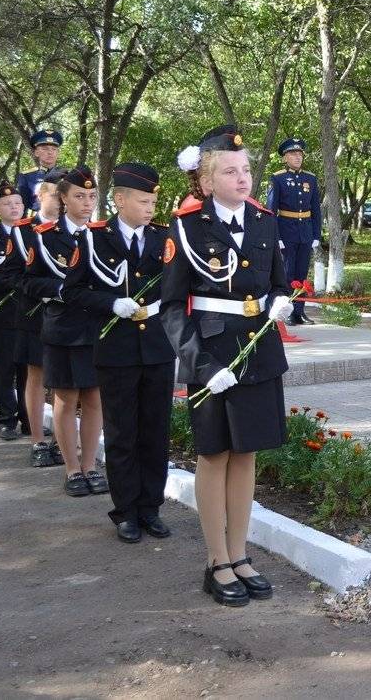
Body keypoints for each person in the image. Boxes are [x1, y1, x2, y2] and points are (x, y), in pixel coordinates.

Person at [162, 124, 292, 607]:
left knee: (247, 454)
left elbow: (278, 283)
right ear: (208, 180)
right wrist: (199, 363)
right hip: (213, 355)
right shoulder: (187, 227)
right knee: (215, 454)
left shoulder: (264, 221)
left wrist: (282, 303)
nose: (243, 179)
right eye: (231, 172)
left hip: (258, 351)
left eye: (247, 170)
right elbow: (172, 307)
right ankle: (216, 561)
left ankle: (240, 554)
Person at [62, 163, 175, 543]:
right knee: (123, 431)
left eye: (154, 201)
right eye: (144, 201)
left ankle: (151, 508)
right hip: (117, 351)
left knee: (155, 432)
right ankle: (126, 511)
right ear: (120, 199)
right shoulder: (94, 238)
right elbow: (73, 291)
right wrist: (110, 303)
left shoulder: (164, 237)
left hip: (158, 347)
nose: (150, 208)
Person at [22, 165, 106, 497]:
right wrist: (60, 289)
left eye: (91, 197)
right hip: (63, 327)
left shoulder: (103, 235)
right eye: (79, 196)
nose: (87, 203)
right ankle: (72, 469)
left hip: (97, 326)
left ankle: (90, 465)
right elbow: (27, 281)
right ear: (63, 199)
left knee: (94, 397)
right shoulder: (44, 236)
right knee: (66, 397)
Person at [11, 168, 63, 467]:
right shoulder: (23, 230)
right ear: (40, 195)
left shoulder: (75, 229)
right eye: (55, 194)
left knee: (64, 381)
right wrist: (47, 291)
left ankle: (60, 438)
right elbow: (16, 275)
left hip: (69, 316)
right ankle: (37, 440)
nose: (59, 200)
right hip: (35, 313)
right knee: (37, 375)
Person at [0, 181, 32, 441]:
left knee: (30, 370)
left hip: (29, 313)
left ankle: (29, 419)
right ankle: (6, 420)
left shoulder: (34, 233)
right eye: (7, 204)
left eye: (17, 203)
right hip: (1, 314)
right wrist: (13, 281)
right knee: (5, 368)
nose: (13, 207)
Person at [266, 138, 321, 325]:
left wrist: (316, 235)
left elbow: (316, 209)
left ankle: (300, 312)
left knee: (302, 274)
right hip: (286, 232)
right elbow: (271, 211)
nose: (297, 157)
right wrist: (276, 237)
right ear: (285, 158)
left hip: (305, 232)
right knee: (287, 274)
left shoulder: (310, 179)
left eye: (299, 154)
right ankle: (287, 311)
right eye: (293, 154)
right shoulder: (277, 178)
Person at [20, 128, 63, 214]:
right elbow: (22, 207)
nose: (50, 152)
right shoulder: (26, 176)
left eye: (54, 149)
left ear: (58, 153)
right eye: (45, 149)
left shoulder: (67, 176)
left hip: (61, 221)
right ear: (36, 152)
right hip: (35, 222)